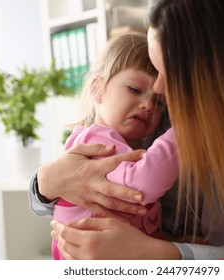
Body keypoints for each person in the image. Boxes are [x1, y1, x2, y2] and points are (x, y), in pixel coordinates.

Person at [30, 0, 224, 260]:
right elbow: (64, 189)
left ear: (221, 73)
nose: (158, 91)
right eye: (153, 70)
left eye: (170, 74)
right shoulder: (150, 117)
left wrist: (159, 254)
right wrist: (46, 182)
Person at [49, 33, 179, 260]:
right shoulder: (95, 141)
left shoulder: (126, 144)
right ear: (98, 88)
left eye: (159, 102)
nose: (148, 105)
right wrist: (184, 134)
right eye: (135, 90)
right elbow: (141, 185)